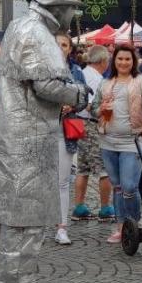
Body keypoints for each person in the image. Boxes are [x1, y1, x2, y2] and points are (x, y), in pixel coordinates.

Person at [0, 0, 90, 283]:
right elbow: (48, 85)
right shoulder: (38, 33)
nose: (73, 16)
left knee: (17, 220)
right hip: (27, 140)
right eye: (71, 9)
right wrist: (81, 94)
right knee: (27, 222)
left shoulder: (18, 26)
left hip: (12, 137)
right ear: (59, 8)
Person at [91, 44, 142, 243]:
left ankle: (133, 225)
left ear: (133, 61)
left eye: (128, 59)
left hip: (132, 141)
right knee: (118, 186)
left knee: (129, 186)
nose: (123, 62)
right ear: (114, 60)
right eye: (120, 59)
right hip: (108, 141)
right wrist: (100, 108)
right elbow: (93, 109)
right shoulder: (106, 82)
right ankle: (121, 227)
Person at [72, 45, 114, 222]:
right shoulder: (97, 79)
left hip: (79, 124)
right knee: (104, 169)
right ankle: (105, 209)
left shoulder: (82, 73)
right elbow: (91, 106)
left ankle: (79, 206)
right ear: (103, 61)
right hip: (92, 124)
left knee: (83, 168)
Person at [54, 32, 87, 245]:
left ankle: (62, 227)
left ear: (69, 49)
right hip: (41, 131)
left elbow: (84, 100)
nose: (60, 48)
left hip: (65, 131)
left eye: (64, 45)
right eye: (57, 44)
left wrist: (72, 105)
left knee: (63, 181)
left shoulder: (76, 72)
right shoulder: (39, 69)